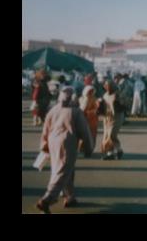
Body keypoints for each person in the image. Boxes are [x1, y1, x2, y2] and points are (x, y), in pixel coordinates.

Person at [35, 85, 95, 213]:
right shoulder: (75, 111)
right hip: (67, 144)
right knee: (62, 171)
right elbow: (84, 132)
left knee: (65, 169)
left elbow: (45, 130)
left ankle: (70, 197)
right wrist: (89, 148)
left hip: (52, 143)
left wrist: (44, 145)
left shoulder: (53, 110)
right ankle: (47, 199)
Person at [100, 78, 124, 159]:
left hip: (116, 117)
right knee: (107, 135)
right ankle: (113, 152)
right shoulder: (105, 95)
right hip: (107, 117)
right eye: (106, 85)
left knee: (111, 135)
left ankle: (114, 151)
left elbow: (122, 105)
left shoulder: (117, 95)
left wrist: (118, 102)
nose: (107, 87)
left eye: (109, 85)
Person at [80, 80, 99, 154]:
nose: (90, 93)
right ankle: (82, 149)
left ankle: (89, 149)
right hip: (83, 121)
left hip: (92, 121)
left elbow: (97, 109)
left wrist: (91, 112)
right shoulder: (81, 99)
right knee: (83, 136)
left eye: (92, 91)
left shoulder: (94, 99)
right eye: (89, 92)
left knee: (92, 136)